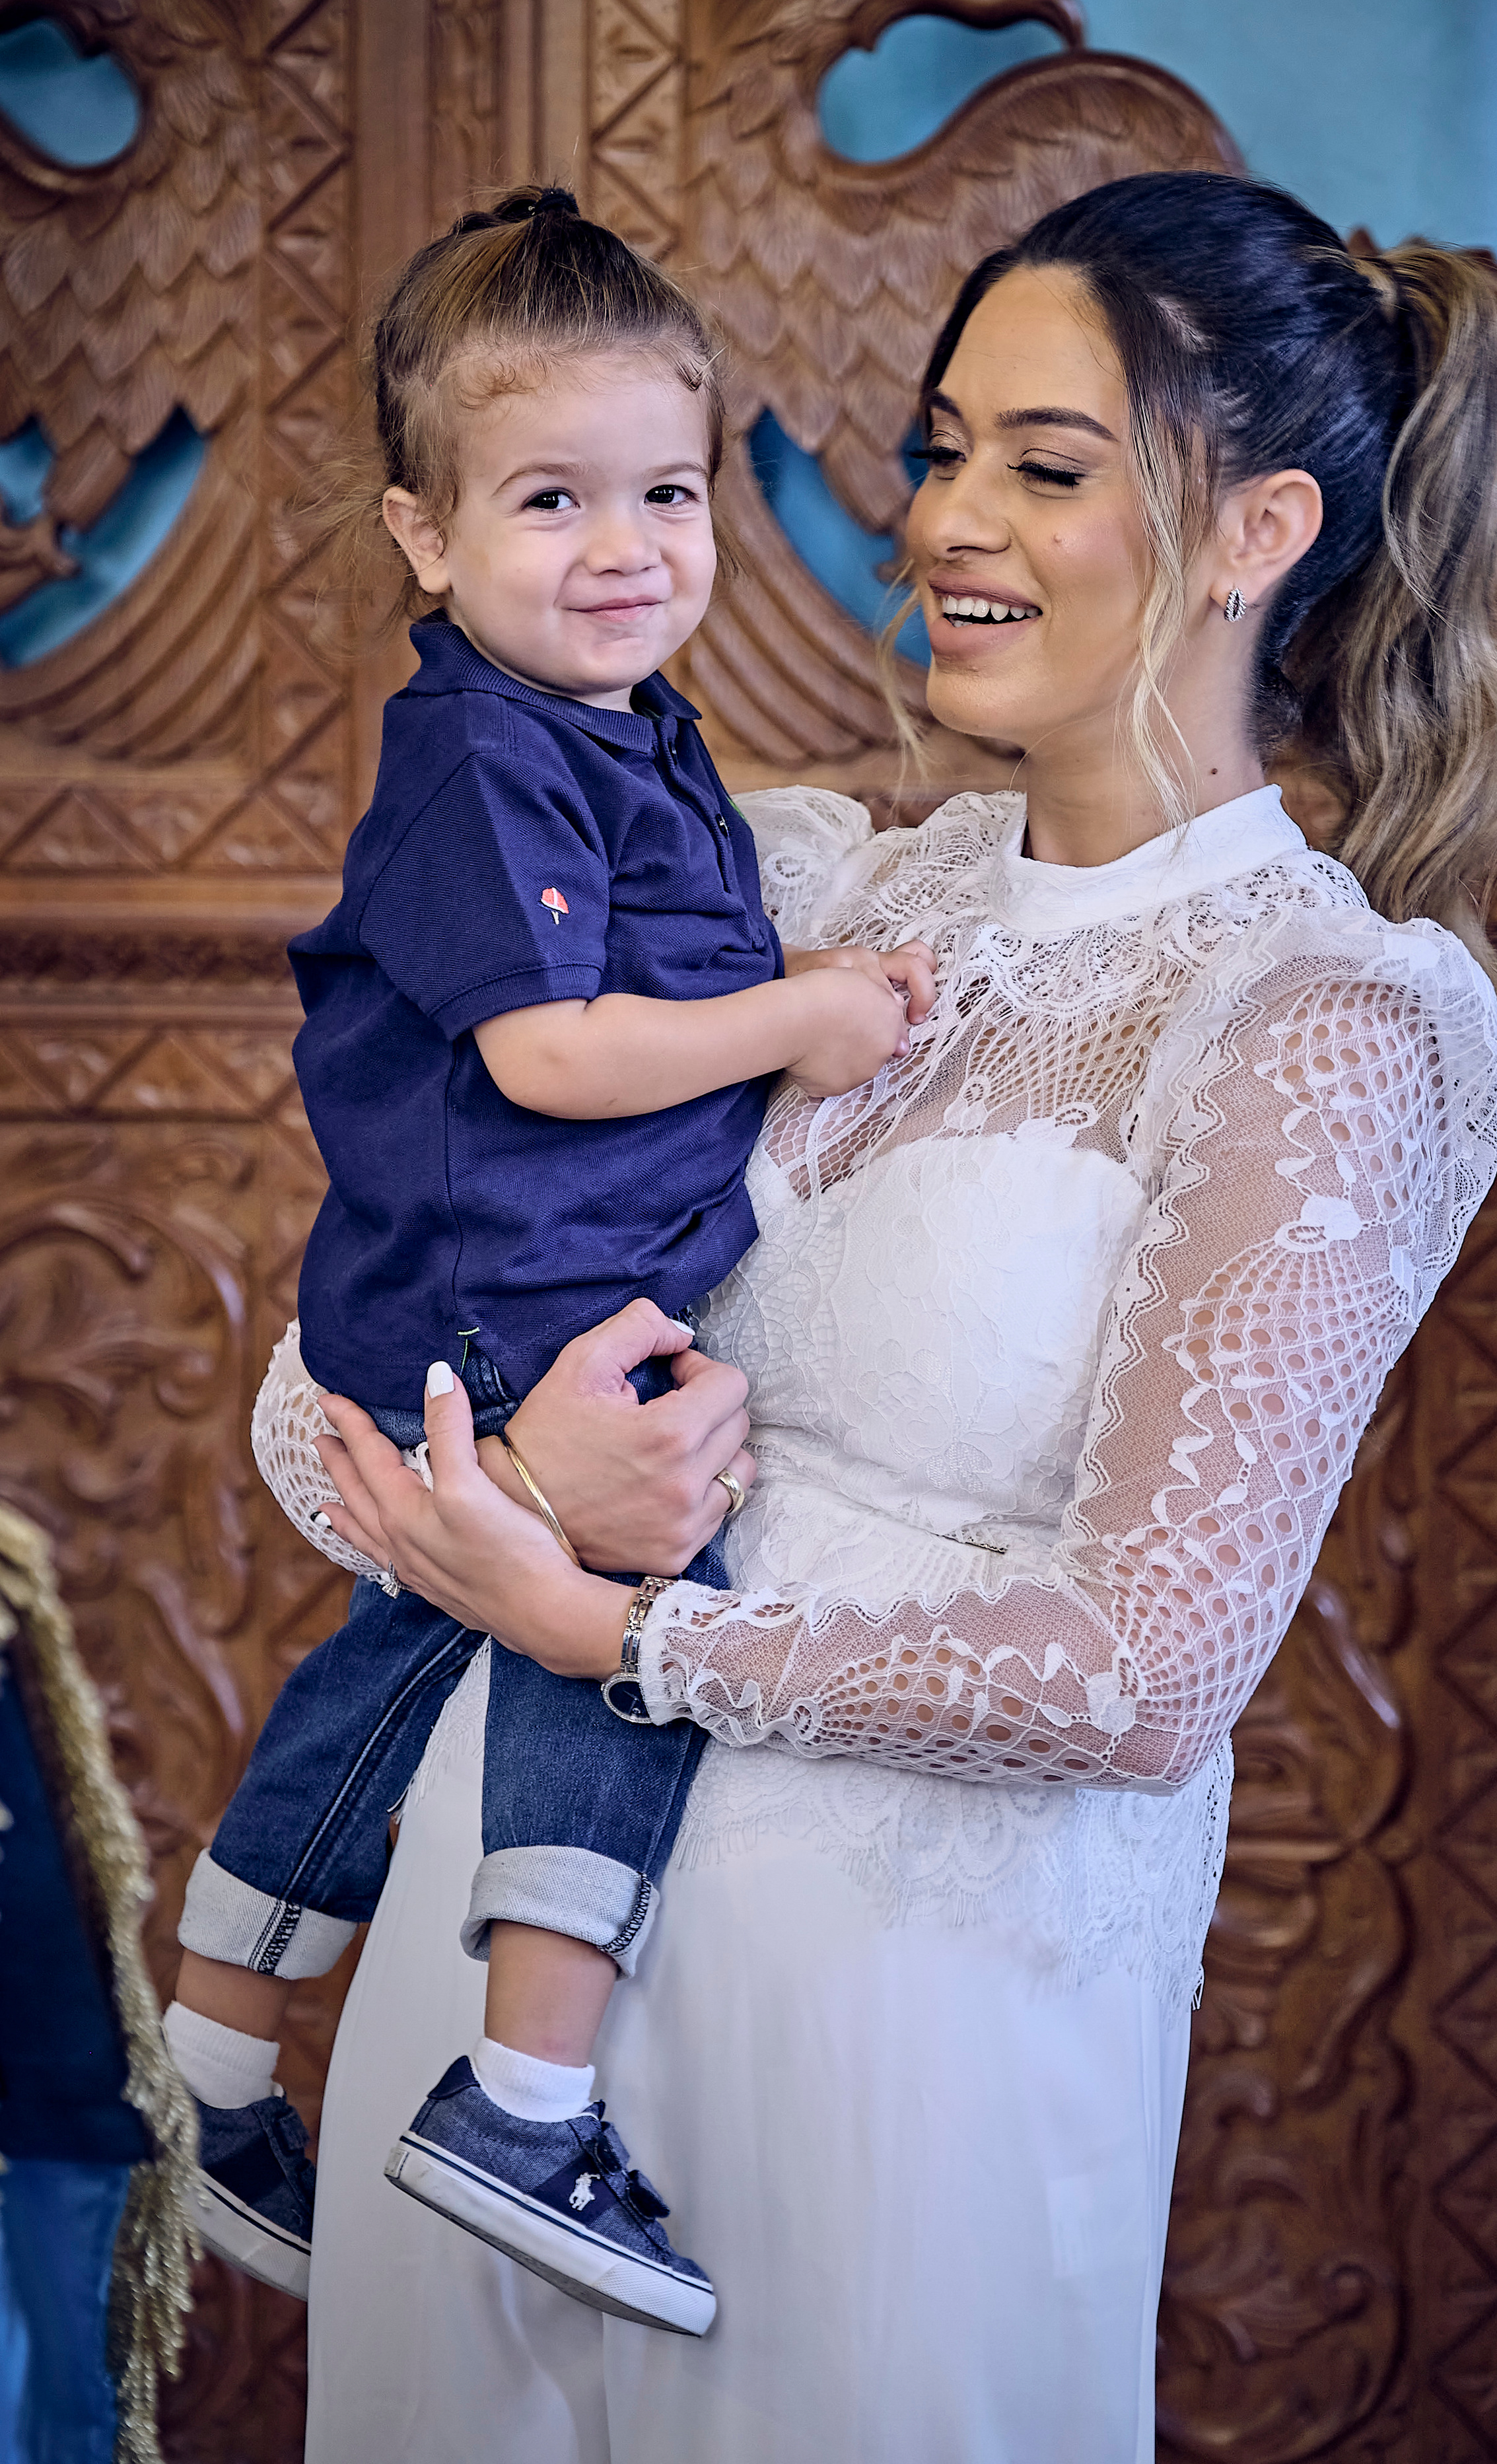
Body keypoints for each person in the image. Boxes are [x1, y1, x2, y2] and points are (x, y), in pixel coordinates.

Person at [300, 173, 1497, 2462]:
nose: (952, 519)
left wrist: (630, 1638)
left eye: (1046, 469)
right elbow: (332, 1371)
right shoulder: (791, 885)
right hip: (499, 1981)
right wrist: (507, 1480)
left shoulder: (1326, 1016)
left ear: (1263, 528)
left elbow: (1154, 1667)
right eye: (944, 448)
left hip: (908, 2044)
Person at [160, 184, 934, 2333]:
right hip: (514, 1285)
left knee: (405, 1641)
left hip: (511, 1276)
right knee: (611, 1621)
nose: (627, 546)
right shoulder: (487, 749)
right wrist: (798, 1020)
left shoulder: (610, 720)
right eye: (551, 499)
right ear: (421, 535)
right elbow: (549, 1046)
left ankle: (214, 2048)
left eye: (668, 491)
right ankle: (522, 2089)